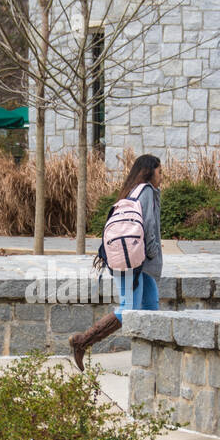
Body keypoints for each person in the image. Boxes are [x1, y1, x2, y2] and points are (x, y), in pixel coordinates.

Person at [69, 153, 163, 371]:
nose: (162, 176)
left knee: (150, 305)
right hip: (136, 261)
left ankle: (150, 360)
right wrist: (153, 251)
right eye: (159, 171)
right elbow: (148, 225)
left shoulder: (132, 190)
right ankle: (82, 341)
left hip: (135, 260)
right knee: (128, 308)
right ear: (150, 171)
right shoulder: (146, 191)